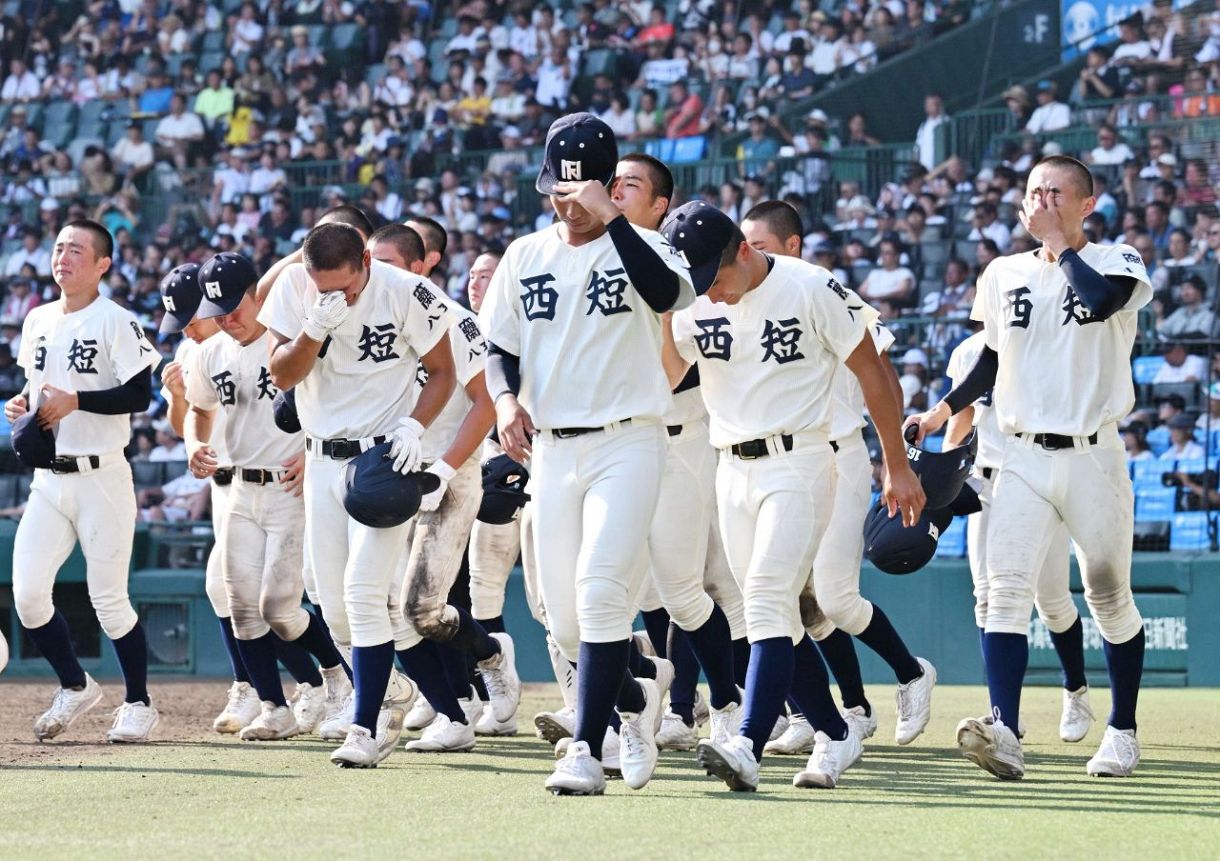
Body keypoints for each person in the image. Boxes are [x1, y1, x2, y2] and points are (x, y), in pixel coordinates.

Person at [659, 200, 925, 792]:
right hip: (731, 467)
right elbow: (672, 375)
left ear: (744, 250)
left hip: (801, 458)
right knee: (774, 615)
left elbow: (873, 372)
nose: (711, 292)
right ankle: (835, 732)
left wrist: (896, 464)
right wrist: (663, 312)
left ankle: (747, 745)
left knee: (765, 598)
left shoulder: (810, 287)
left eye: (715, 277)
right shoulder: (691, 299)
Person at [908, 155, 1150, 780]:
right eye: (1034, 191)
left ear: (1087, 204)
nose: (1042, 201)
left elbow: (1101, 303)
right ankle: (1006, 731)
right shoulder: (1002, 271)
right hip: (1019, 453)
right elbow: (992, 357)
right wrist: (943, 410)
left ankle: (1122, 730)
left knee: (1107, 594)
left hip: (1093, 453)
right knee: (1005, 593)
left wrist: (1059, 246)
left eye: (1056, 193)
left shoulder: (1118, 259)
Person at [479, 113, 695, 795]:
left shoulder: (645, 245)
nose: (567, 204)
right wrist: (505, 400)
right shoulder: (525, 255)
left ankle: (584, 748)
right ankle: (634, 701)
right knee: (566, 620)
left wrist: (615, 220)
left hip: (629, 439)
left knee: (602, 592)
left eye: (580, 192)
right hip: (552, 448)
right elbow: (499, 346)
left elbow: (670, 294)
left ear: (605, 185)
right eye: (558, 192)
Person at [741, 200, 936, 758]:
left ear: (793, 245)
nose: (747, 255)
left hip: (838, 453)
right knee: (789, 601)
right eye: (744, 245)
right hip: (776, 463)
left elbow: (884, 376)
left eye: (760, 245)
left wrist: (894, 460)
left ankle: (911, 671)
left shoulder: (828, 291)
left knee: (834, 597)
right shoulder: (743, 302)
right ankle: (832, 711)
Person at [261, 220, 459, 768]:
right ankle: (389, 687)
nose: (336, 297)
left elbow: (442, 372)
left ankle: (364, 727)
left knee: (364, 590)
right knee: (333, 606)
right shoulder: (294, 290)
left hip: (383, 458)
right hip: (321, 457)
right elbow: (282, 375)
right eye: (322, 286)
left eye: (344, 287)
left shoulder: (406, 290)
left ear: (366, 262)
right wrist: (312, 330)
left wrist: (415, 426)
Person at [610, 153, 748, 754]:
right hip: (617, 443)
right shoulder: (589, 261)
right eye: (612, 183)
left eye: (630, 185)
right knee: (630, 592)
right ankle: (652, 704)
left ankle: (730, 705)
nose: (615, 192)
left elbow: (676, 373)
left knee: (708, 586)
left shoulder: (689, 270)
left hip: (690, 437)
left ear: (661, 205)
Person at [365, 223, 521, 750]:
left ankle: (490, 655)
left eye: (387, 263)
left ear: (419, 268)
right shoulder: (367, 320)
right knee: (394, 605)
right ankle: (455, 707)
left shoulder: (456, 319)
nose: (374, 273)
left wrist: (446, 470)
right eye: (370, 262)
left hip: (449, 474)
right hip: (393, 475)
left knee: (424, 607)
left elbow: (486, 403)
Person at [183, 252, 350, 741]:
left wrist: (312, 448)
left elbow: (334, 400)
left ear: (258, 295)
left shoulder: (290, 339)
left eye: (234, 307)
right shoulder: (210, 352)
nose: (227, 319)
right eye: (217, 311)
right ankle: (275, 708)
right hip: (239, 487)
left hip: (287, 488)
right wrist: (194, 444)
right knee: (241, 608)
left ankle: (337, 678)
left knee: (279, 607)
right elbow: (199, 410)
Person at [6, 220, 161, 743]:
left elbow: (140, 395)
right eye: (59, 248)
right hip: (48, 481)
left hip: (102, 476)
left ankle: (138, 703)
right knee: (29, 596)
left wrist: (79, 401)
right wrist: (23, 403)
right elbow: (35, 384)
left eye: (76, 250)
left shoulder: (116, 320)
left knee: (109, 600)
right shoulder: (37, 318)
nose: (63, 257)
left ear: (102, 264)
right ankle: (75, 685)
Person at [944, 330, 1095, 745]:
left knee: (1051, 600)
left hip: (1036, 480)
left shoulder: (1043, 338)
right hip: (986, 483)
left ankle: (1076, 688)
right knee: (985, 598)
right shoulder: (968, 351)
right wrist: (946, 472)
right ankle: (1003, 711)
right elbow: (962, 417)